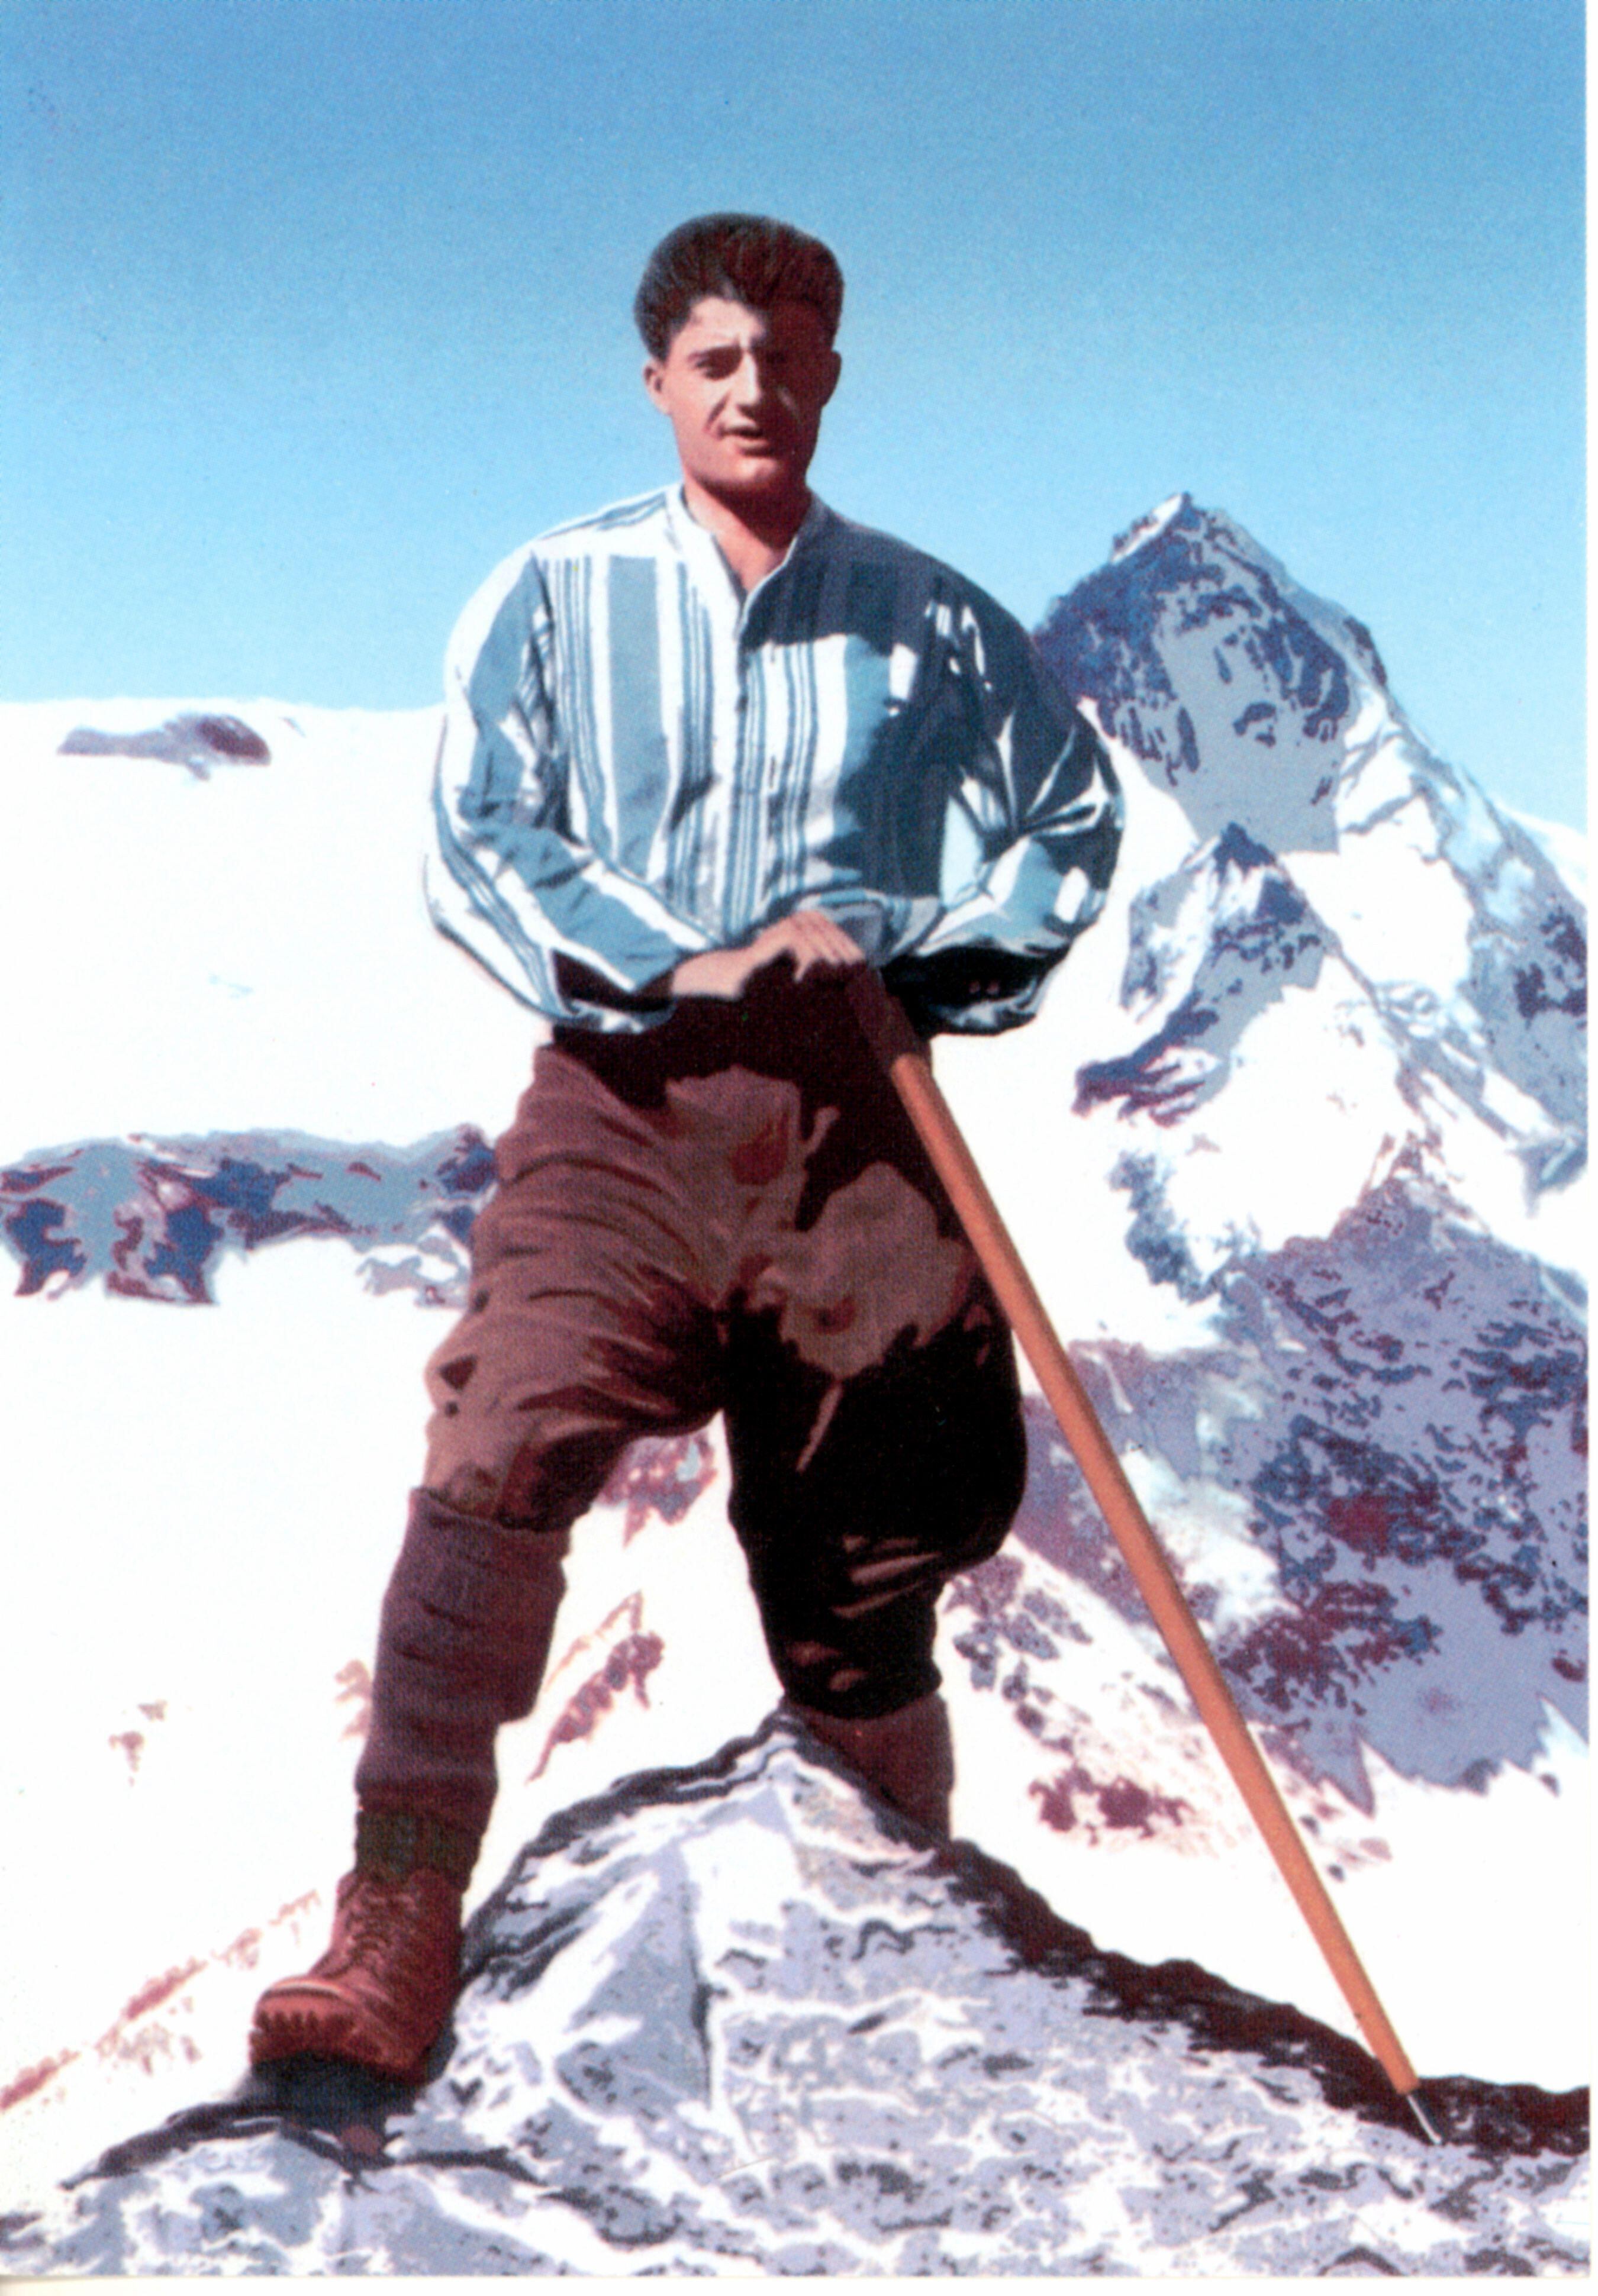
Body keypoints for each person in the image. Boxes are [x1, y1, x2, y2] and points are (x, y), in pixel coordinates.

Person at [249, 213, 1122, 2085]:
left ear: (831, 372)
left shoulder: (932, 614)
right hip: (622, 1104)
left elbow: (1066, 817)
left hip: (858, 1118)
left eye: (791, 354)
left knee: (874, 1531)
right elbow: (479, 837)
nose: (756, 389)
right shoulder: (553, 595)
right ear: (656, 381)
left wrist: (922, 959)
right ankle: (395, 1921)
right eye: (718, 360)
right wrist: (683, 957)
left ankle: (900, 1903)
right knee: (502, 1432)